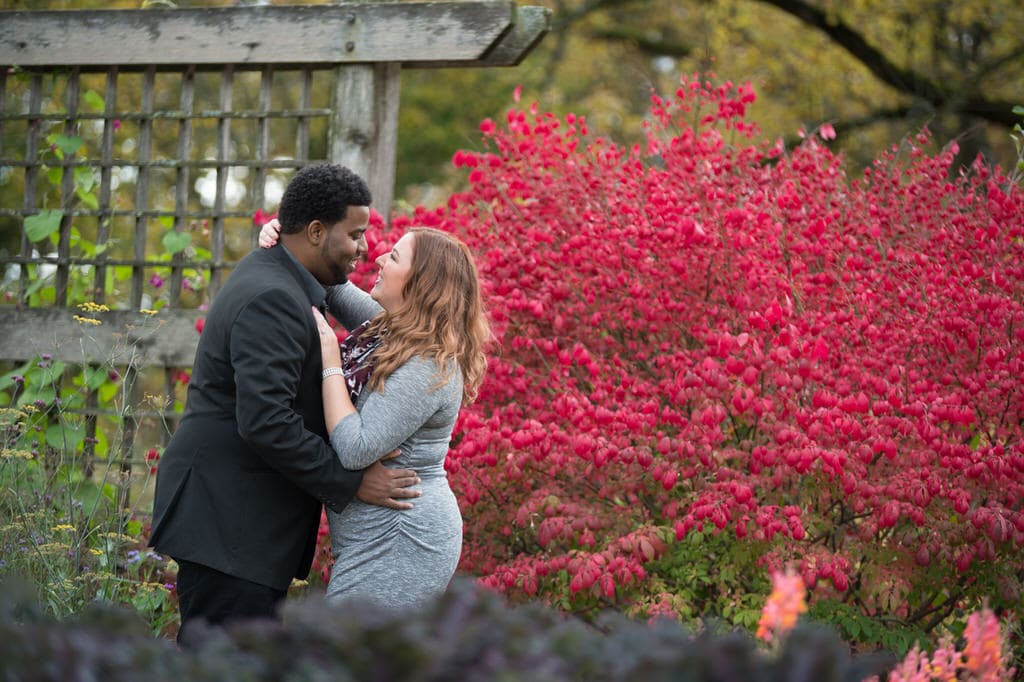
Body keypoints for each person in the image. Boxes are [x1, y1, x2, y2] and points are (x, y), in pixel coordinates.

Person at [149, 164, 420, 646]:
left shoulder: (283, 279)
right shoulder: (273, 296)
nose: (364, 247)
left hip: (238, 525)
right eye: (355, 234)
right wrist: (353, 481)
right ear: (316, 231)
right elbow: (266, 421)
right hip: (229, 523)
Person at [259, 218, 490, 609]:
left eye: (395, 256)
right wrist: (286, 238)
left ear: (421, 284)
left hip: (403, 536)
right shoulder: (390, 330)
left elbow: (354, 448)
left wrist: (331, 359)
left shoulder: (429, 364)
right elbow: (332, 286)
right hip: (376, 534)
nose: (380, 257)